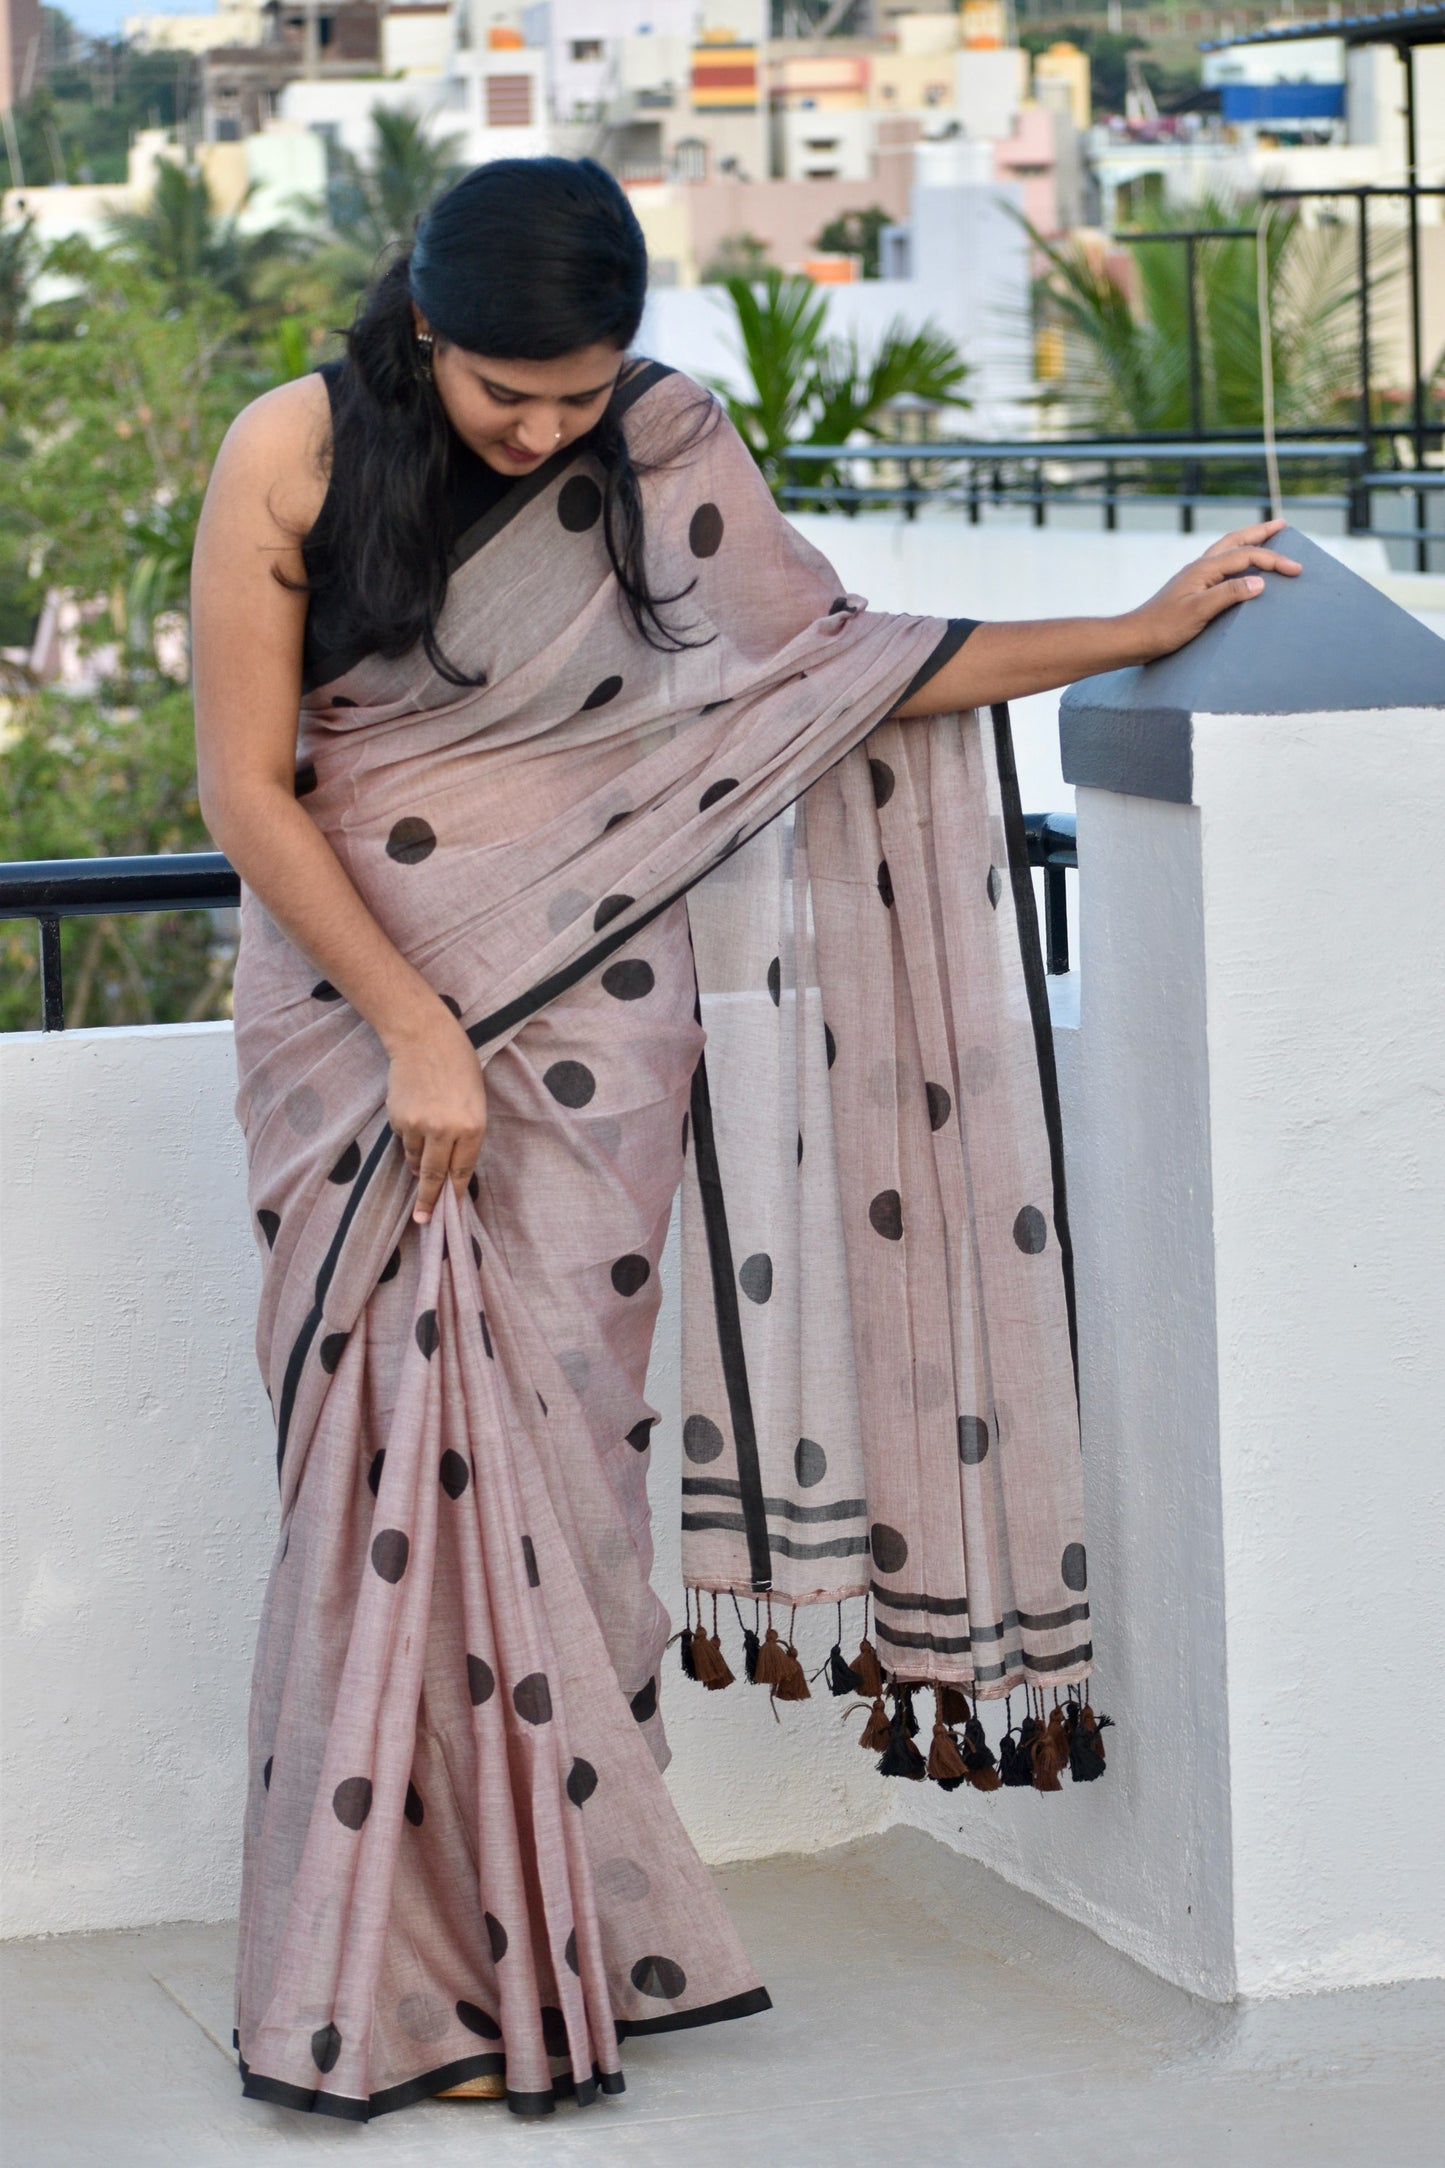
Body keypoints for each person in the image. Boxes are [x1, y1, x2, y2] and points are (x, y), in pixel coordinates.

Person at [190, 155, 1299, 2123]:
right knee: (378, 1481)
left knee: (568, 1489)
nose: (544, 431)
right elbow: (246, 791)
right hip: (362, 1027)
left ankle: (560, 1954)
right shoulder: (289, 450)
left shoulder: (668, 440)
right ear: (421, 326)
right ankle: (393, 1976)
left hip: (598, 1016)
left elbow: (836, 667)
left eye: (576, 395)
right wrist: (420, 1026)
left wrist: (1130, 626)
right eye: (503, 396)